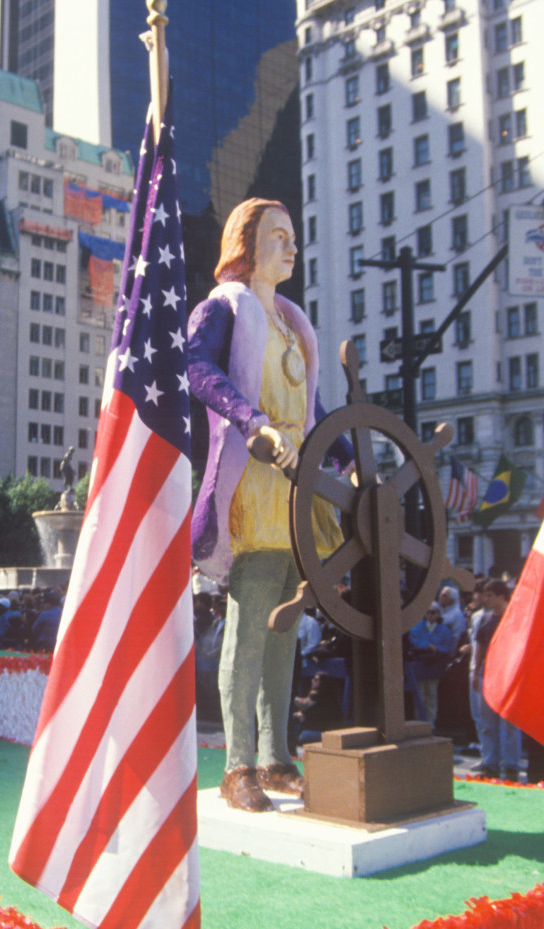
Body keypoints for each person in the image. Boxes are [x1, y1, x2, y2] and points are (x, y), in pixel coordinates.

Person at [185, 197, 350, 813]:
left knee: (286, 633)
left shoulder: (291, 323)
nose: (291, 246)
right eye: (278, 236)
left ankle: (278, 757)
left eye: (293, 237)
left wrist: (341, 461)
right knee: (251, 626)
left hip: (299, 488)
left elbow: (314, 415)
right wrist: (251, 420)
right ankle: (237, 766)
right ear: (246, 244)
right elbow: (196, 368)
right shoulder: (225, 308)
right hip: (253, 483)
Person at [466, 579, 519, 780]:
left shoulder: (513, 618)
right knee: (487, 723)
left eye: (489, 595)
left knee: (510, 724)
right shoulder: (485, 619)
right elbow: (480, 647)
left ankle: (511, 765)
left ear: (501, 596)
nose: (485, 599)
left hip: (508, 675)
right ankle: (490, 763)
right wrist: (476, 671)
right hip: (487, 676)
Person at [403, 602, 456, 723]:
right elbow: (413, 641)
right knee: (419, 694)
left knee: (432, 694)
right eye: (428, 612)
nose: (431, 615)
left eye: (434, 612)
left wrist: (437, 648)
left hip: (434, 665)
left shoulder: (444, 629)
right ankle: (420, 721)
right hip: (420, 664)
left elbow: (448, 646)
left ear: (438, 614)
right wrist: (427, 645)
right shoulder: (417, 627)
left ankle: (431, 722)